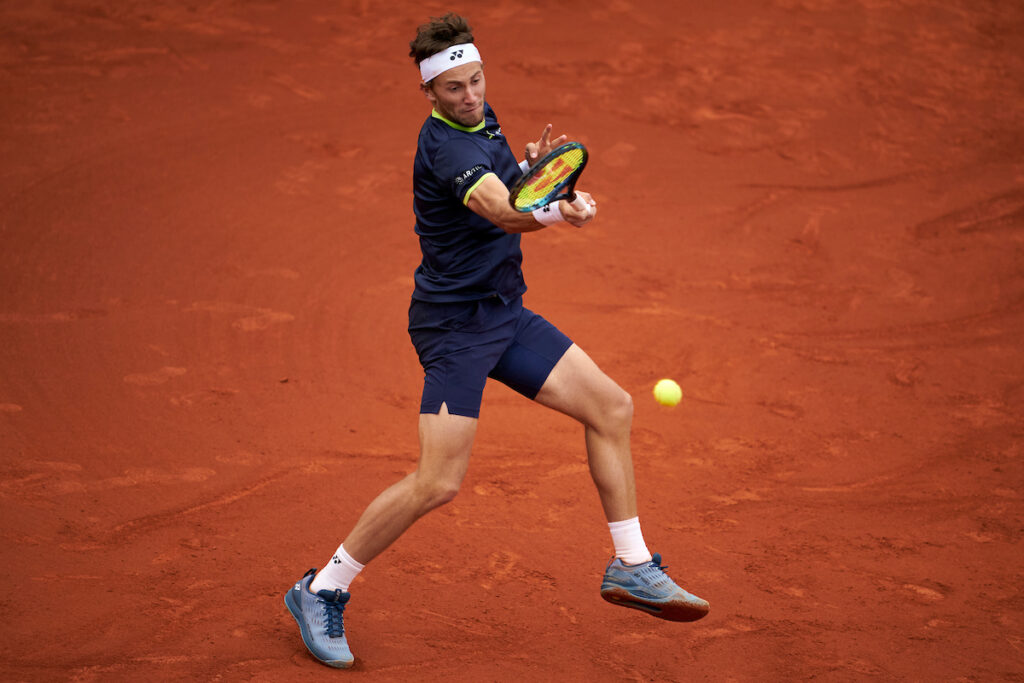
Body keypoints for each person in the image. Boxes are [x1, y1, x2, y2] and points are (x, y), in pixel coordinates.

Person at [284, 12, 709, 669]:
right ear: (429, 94)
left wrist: (536, 173)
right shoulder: (447, 147)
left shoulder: (480, 117)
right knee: (438, 481)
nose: (471, 95)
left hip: (502, 314)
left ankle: (632, 565)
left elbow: (511, 182)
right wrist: (556, 208)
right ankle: (321, 588)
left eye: (477, 80)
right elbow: (504, 210)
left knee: (613, 407)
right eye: (454, 88)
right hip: (454, 327)